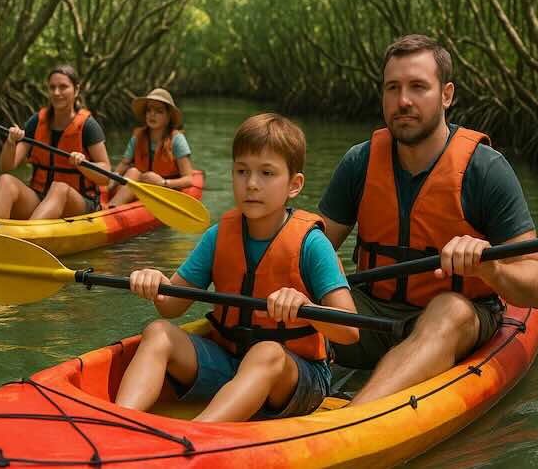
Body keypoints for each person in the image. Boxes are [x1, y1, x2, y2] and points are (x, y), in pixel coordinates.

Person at [318, 34, 538, 406]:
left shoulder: (486, 170)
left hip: (457, 319)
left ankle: (352, 420)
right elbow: (306, 251)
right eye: (392, 88)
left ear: (446, 95)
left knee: (451, 308)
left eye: (417, 87)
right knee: (303, 295)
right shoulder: (359, 163)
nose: (403, 101)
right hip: (371, 316)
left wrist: (491, 270)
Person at [114, 113, 359, 422]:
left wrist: (305, 305)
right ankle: (118, 422)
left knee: (266, 352)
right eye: (242, 171)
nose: (252, 184)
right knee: (158, 333)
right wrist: (154, 283)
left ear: (294, 185)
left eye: (267, 173)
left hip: (297, 377)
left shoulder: (312, 244)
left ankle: (195, 437)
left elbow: (350, 331)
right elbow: (171, 307)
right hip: (229, 362)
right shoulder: (219, 236)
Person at [0, 65, 111, 219]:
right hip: (40, 197)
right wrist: (10, 142)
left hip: (80, 203)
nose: (57, 93)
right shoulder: (36, 122)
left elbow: (106, 176)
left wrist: (83, 165)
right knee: (5, 181)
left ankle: (28, 235)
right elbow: (6, 166)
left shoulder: (88, 126)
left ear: (76, 90)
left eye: (63, 87)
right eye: (52, 87)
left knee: (60, 188)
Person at [108, 88, 194, 207]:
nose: (152, 114)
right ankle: (112, 207)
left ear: (168, 116)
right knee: (133, 171)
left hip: (164, 190)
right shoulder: (138, 137)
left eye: (159, 111)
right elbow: (124, 164)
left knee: (134, 172)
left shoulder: (177, 139)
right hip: (141, 186)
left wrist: (163, 182)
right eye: (149, 110)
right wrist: (111, 182)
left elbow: (189, 179)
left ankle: (112, 207)